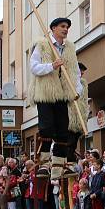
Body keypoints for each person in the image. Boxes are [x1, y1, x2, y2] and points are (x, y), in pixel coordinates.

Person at [29, 17, 88, 179]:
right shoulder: (42, 45)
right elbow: (33, 67)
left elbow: (75, 73)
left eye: (67, 27)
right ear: (53, 28)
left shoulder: (69, 47)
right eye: (62, 26)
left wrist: (77, 90)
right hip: (46, 93)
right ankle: (44, 163)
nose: (65, 29)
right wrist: (51, 66)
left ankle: (59, 165)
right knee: (47, 127)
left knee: (63, 129)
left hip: (62, 94)